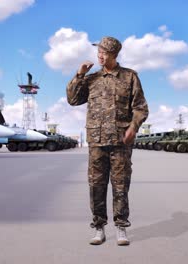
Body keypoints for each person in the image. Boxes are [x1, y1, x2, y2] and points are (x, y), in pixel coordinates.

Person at [66, 36, 149, 246]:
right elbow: (73, 100)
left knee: (120, 185)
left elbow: (140, 107)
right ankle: (99, 228)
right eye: (99, 52)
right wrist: (79, 75)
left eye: (104, 52)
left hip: (121, 142)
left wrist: (133, 127)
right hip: (97, 141)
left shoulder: (130, 77)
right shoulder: (91, 79)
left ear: (113, 54)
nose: (99, 56)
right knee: (96, 185)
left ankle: (121, 227)